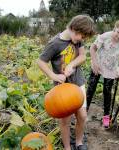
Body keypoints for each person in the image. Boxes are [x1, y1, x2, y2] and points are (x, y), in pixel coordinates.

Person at [37, 15, 95, 150]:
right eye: (82, 36)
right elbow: (40, 61)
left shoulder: (78, 40)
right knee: (65, 120)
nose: (83, 40)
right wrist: (53, 75)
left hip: (78, 83)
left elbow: (82, 56)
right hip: (62, 88)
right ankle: (67, 147)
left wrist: (72, 65)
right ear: (74, 29)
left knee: (82, 115)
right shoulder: (55, 43)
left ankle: (79, 142)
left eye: (85, 38)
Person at [86, 18, 119, 128]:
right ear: (114, 28)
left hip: (111, 69)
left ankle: (106, 117)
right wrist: (94, 62)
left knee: (107, 93)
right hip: (98, 65)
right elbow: (92, 49)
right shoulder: (105, 36)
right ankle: (84, 111)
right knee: (91, 88)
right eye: (118, 32)